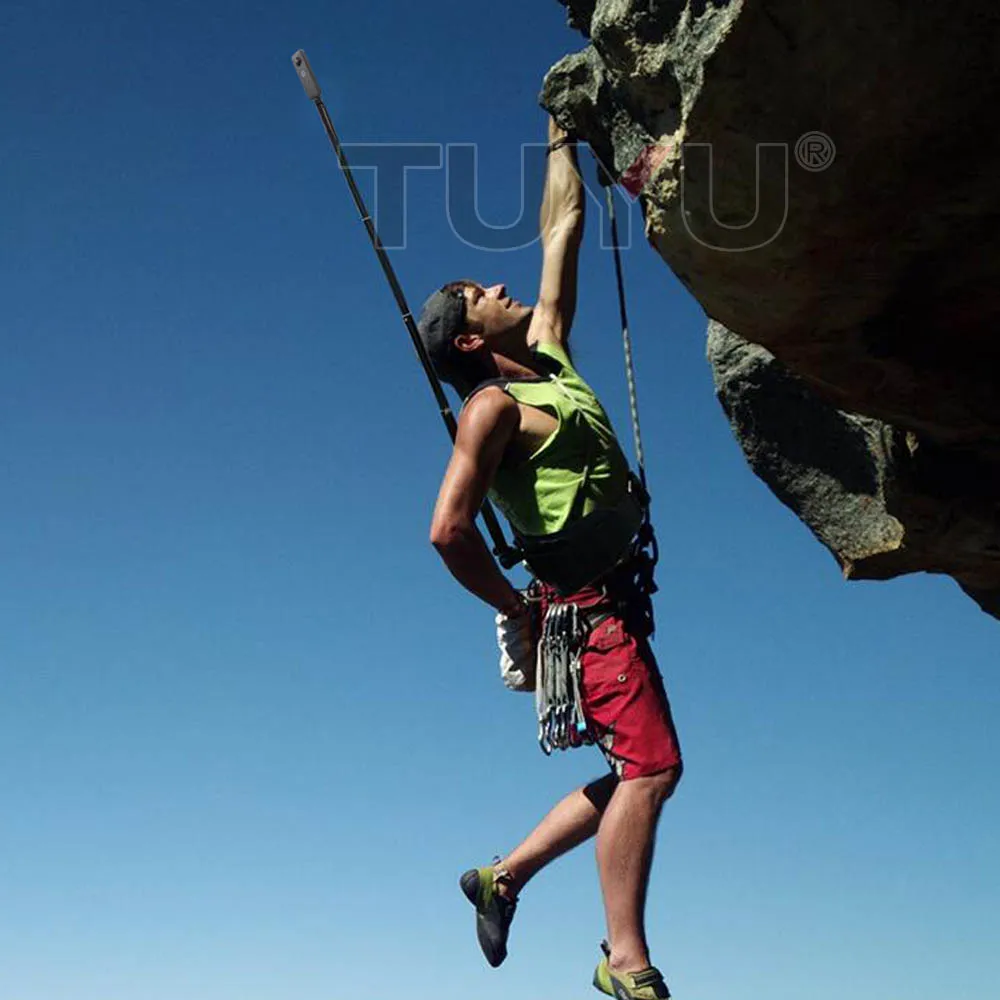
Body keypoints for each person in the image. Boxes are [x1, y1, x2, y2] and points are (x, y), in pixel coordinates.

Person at [416, 116, 682, 1000]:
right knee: (651, 769)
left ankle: (503, 878)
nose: (500, 287)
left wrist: (559, 139)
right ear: (468, 339)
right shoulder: (491, 410)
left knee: (640, 766)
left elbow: (561, 228)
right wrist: (516, 607)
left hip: (617, 602)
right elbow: (448, 530)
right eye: (479, 294)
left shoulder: (551, 361)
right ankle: (624, 959)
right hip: (586, 613)